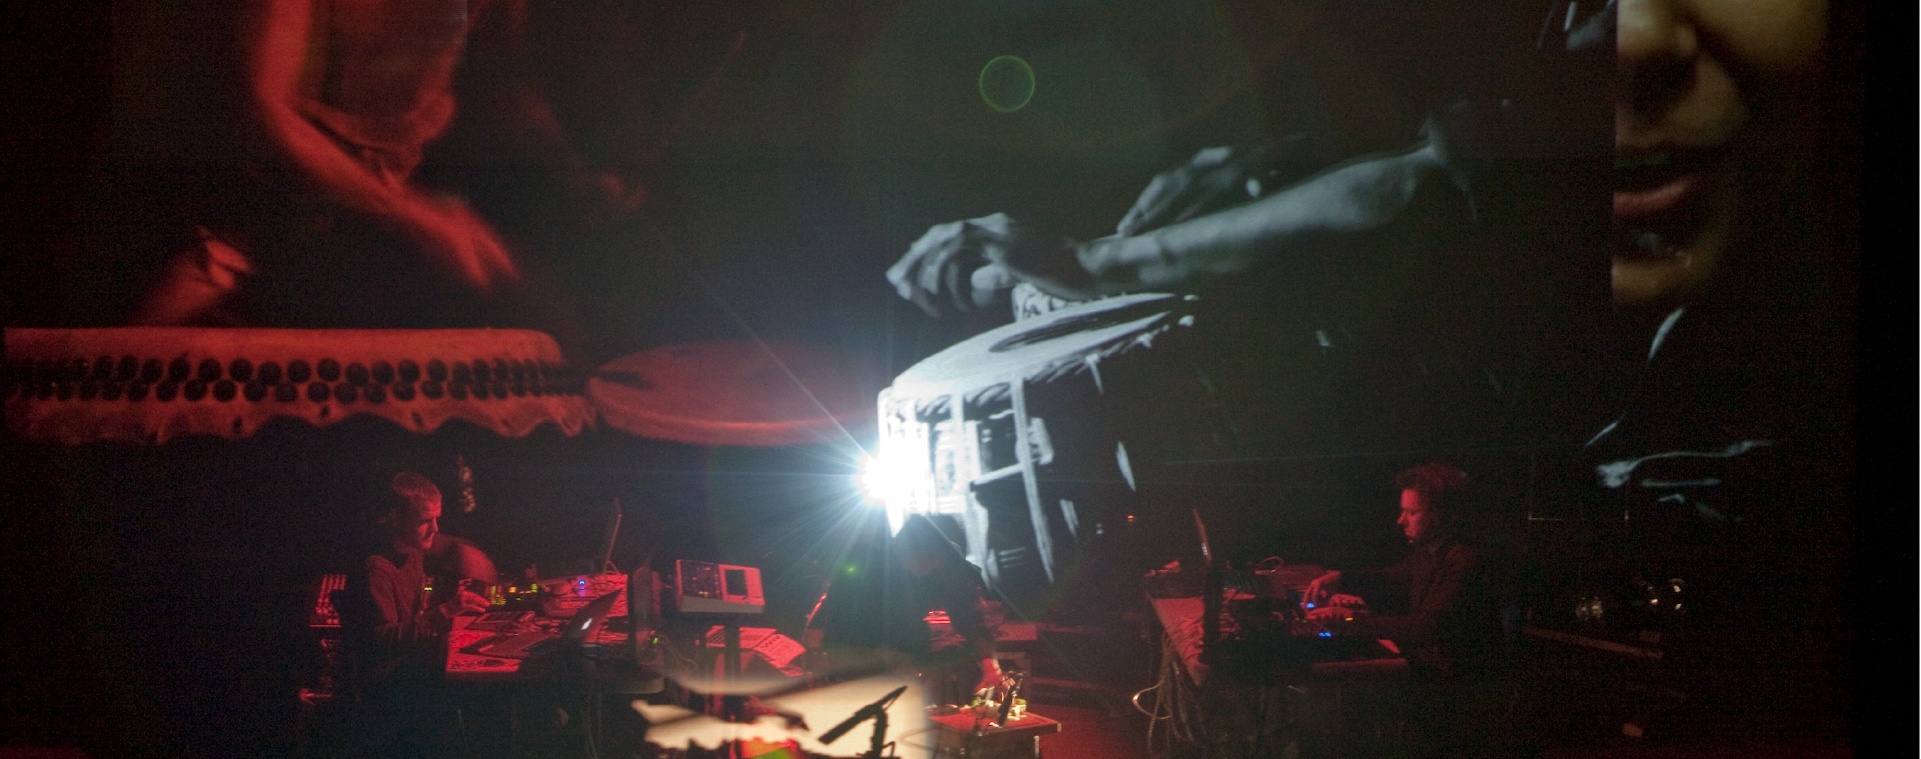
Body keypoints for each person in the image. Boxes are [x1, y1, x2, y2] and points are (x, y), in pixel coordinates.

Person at [339, 471, 494, 756]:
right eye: (425, 521)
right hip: (388, 688)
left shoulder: (411, 546)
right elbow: (381, 641)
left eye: (436, 518)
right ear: (396, 520)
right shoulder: (376, 569)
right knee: (484, 697)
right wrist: (444, 612)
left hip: (409, 667)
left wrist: (470, 556)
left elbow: (449, 544)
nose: (434, 529)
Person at [1302, 463, 1498, 673]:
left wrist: (1349, 618)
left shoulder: (1464, 559)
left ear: (1442, 515)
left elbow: (1425, 628)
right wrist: (1339, 577)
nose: (1400, 520)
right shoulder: (1430, 550)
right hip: (1431, 666)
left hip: (1455, 680)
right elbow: (1390, 577)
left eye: (1411, 512)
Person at [808, 515, 1005, 705]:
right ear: (903, 546)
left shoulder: (938, 566)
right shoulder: (864, 562)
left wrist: (990, 663)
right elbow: (841, 628)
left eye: (938, 561)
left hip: (900, 656)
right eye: (928, 560)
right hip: (855, 654)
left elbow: (969, 612)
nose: (932, 568)